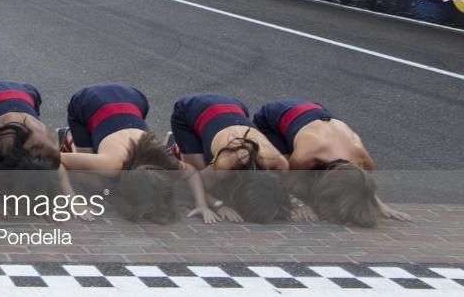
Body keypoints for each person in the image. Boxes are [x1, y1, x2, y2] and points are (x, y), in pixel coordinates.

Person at [252, 100, 411, 226]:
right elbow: (285, 180)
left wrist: (377, 204)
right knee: (285, 165)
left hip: (315, 111)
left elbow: (364, 186)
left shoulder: (363, 160)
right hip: (274, 117)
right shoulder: (306, 156)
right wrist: (300, 204)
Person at [59, 83, 196, 223]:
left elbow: (192, 172)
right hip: (88, 102)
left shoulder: (166, 164)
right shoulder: (112, 164)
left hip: (134, 98)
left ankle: (170, 141)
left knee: (108, 182)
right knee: (94, 184)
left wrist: (201, 204)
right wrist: (72, 202)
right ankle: (69, 139)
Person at [169, 93, 293, 223]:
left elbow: (284, 189)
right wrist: (217, 205)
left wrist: (295, 205)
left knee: (214, 166)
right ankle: (174, 144)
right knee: (199, 168)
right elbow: (195, 180)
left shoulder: (279, 162)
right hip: (189, 110)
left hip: (235, 106)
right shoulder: (227, 162)